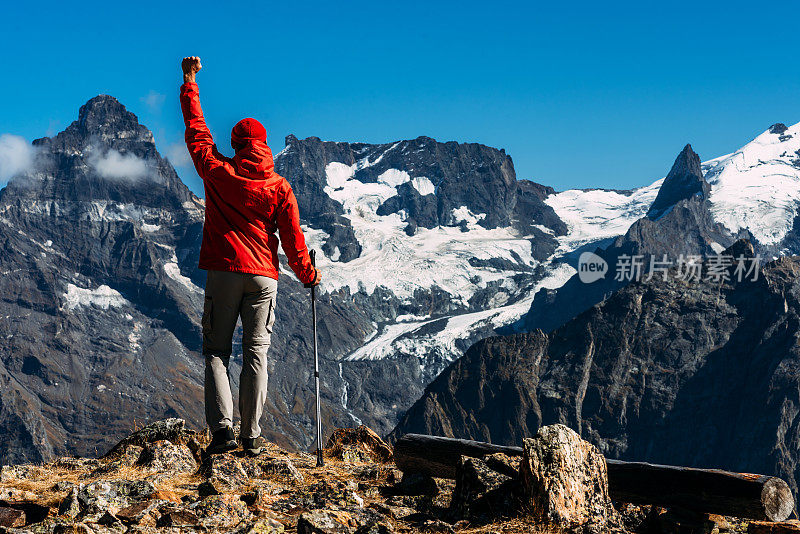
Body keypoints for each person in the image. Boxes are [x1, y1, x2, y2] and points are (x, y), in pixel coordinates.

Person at [179, 56, 322, 456]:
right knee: (257, 351)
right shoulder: (280, 187)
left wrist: (190, 82)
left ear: (238, 145)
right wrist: (308, 274)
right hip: (263, 276)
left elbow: (196, 133)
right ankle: (251, 435)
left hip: (224, 271)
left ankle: (222, 432)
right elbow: (294, 241)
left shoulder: (217, 171)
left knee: (216, 352)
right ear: (265, 145)